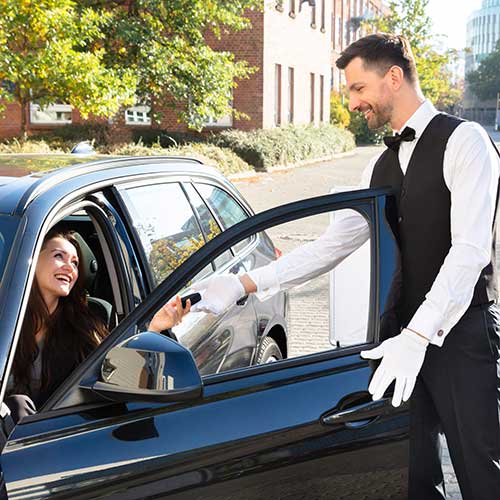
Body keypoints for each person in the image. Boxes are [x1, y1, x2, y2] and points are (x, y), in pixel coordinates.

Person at [190, 34, 500, 500]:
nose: (352, 102)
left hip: (462, 338)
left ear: (393, 78)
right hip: (396, 344)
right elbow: (330, 246)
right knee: (411, 479)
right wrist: (244, 282)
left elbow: (470, 251)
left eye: (358, 88)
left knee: (483, 475)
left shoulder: (466, 142)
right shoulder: (377, 166)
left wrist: (418, 337)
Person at [6, 227, 190, 423]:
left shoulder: (84, 327)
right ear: (31, 261)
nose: (70, 268)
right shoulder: (6, 319)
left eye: (75, 263)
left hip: (47, 436)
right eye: (59, 256)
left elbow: (115, 375)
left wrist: (153, 327)